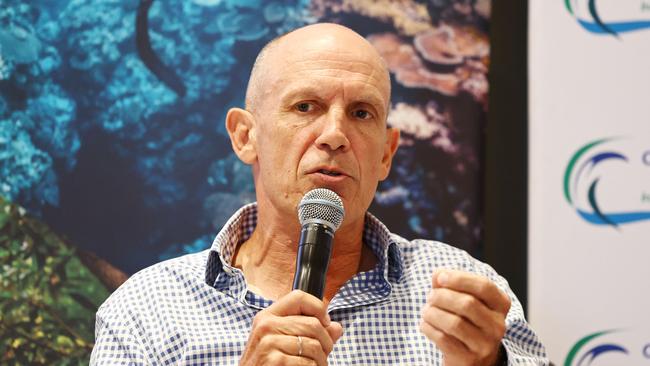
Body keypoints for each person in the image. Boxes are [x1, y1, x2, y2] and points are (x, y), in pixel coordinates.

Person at [91, 23, 548, 365]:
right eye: (305, 106)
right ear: (245, 136)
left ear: (386, 154)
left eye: (362, 113)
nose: (334, 135)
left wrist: (489, 364)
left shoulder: (459, 290)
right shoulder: (146, 312)